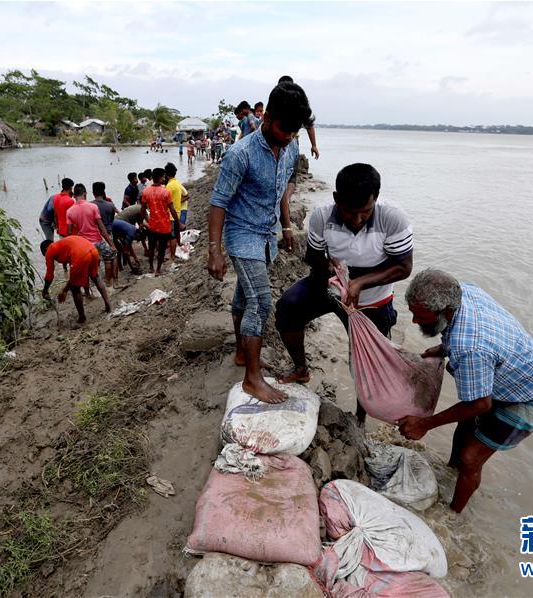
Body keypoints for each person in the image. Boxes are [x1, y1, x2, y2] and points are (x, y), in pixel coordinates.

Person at [398, 269, 533, 513]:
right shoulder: (466, 292)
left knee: (471, 458)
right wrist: (443, 347)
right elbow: (463, 332)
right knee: (465, 425)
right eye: (413, 314)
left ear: (446, 311)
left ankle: (453, 514)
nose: (414, 321)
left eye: (421, 317)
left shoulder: (469, 347)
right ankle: (450, 471)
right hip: (507, 373)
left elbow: (479, 404)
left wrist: (425, 424)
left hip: (532, 396)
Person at [276, 163, 413, 424]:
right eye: (350, 212)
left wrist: (360, 283)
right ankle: (301, 369)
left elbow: (403, 267)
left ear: (376, 198)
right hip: (331, 287)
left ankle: (361, 418)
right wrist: (330, 269)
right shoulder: (321, 217)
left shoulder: (393, 218)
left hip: (373, 301)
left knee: (367, 362)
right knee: (288, 307)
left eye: (365, 212)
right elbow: (312, 256)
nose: (357, 219)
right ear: (337, 199)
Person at [207, 82, 312, 404]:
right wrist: (215, 251)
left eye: (295, 131)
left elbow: (283, 189)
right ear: (266, 118)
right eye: (284, 129)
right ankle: (252, 378)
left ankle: (242, 353)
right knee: (262, 301)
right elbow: (218, 201)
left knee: (244, 296)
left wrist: (287, 227)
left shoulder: (291, 145)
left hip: (266, 235)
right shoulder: (240, 153)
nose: (289, 136)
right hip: (241, 235)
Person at [40, 236, 111, 323]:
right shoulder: (62, 245)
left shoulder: (50, 250)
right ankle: (108, 305)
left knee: (75, 289)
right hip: (93, 250)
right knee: (95, 277)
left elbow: (49, 275)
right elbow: (74, 276)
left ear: (45, 249)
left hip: (81, 254)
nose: (46, 256)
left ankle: (82, 317)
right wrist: (65, 289)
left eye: (44, 254)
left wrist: (45, 290)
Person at [65, 183, 118, 286]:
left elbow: (69, 234)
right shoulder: (92, 206)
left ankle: (90, 289)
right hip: (98, 240)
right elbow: (102, 228)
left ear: (74, 195)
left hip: (85, 244)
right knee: (109, 258)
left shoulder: (69, 211)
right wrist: (111, 244)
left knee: (88, 266)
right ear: (84, 193)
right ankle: (108, 283)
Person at [141, 167, 180, 276]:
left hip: (152, 225)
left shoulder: (145, 192)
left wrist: (146, 221)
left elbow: (143, 210)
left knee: (152, 247)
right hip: (164, 225)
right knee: (162, 249)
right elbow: (172, 209)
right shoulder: (166, 192)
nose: (164, 178)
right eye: (163, 176)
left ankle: (150, 267)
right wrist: (177, 221)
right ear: (160, 177)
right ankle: (158, 270)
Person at [277, 76, 319, 159]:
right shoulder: (275, 102)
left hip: (291, 143)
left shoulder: (299, 105)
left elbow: (309, 124)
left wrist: (314, 145)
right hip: (276, 143)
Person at [164, 162, 189, 261]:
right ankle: (178, 245)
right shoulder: (177, 183)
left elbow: (166, 202)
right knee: (176, 233)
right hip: (177, 212)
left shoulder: (169, 186)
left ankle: (172, 256)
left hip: (171, 214)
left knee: (172, 236)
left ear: (166, 174)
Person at [113, 203, 144, 273]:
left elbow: (129, 246)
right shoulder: (131, 234)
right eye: (137, 239)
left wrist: (135, 258)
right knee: (118, 249)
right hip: (111, 230)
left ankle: (122, 265)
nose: (136, 240)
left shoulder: (133, 229)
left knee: (123, 247)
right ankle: (119, 267)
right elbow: (126, 252)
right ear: (138, 235)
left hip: (116, 226)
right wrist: (132, 268)